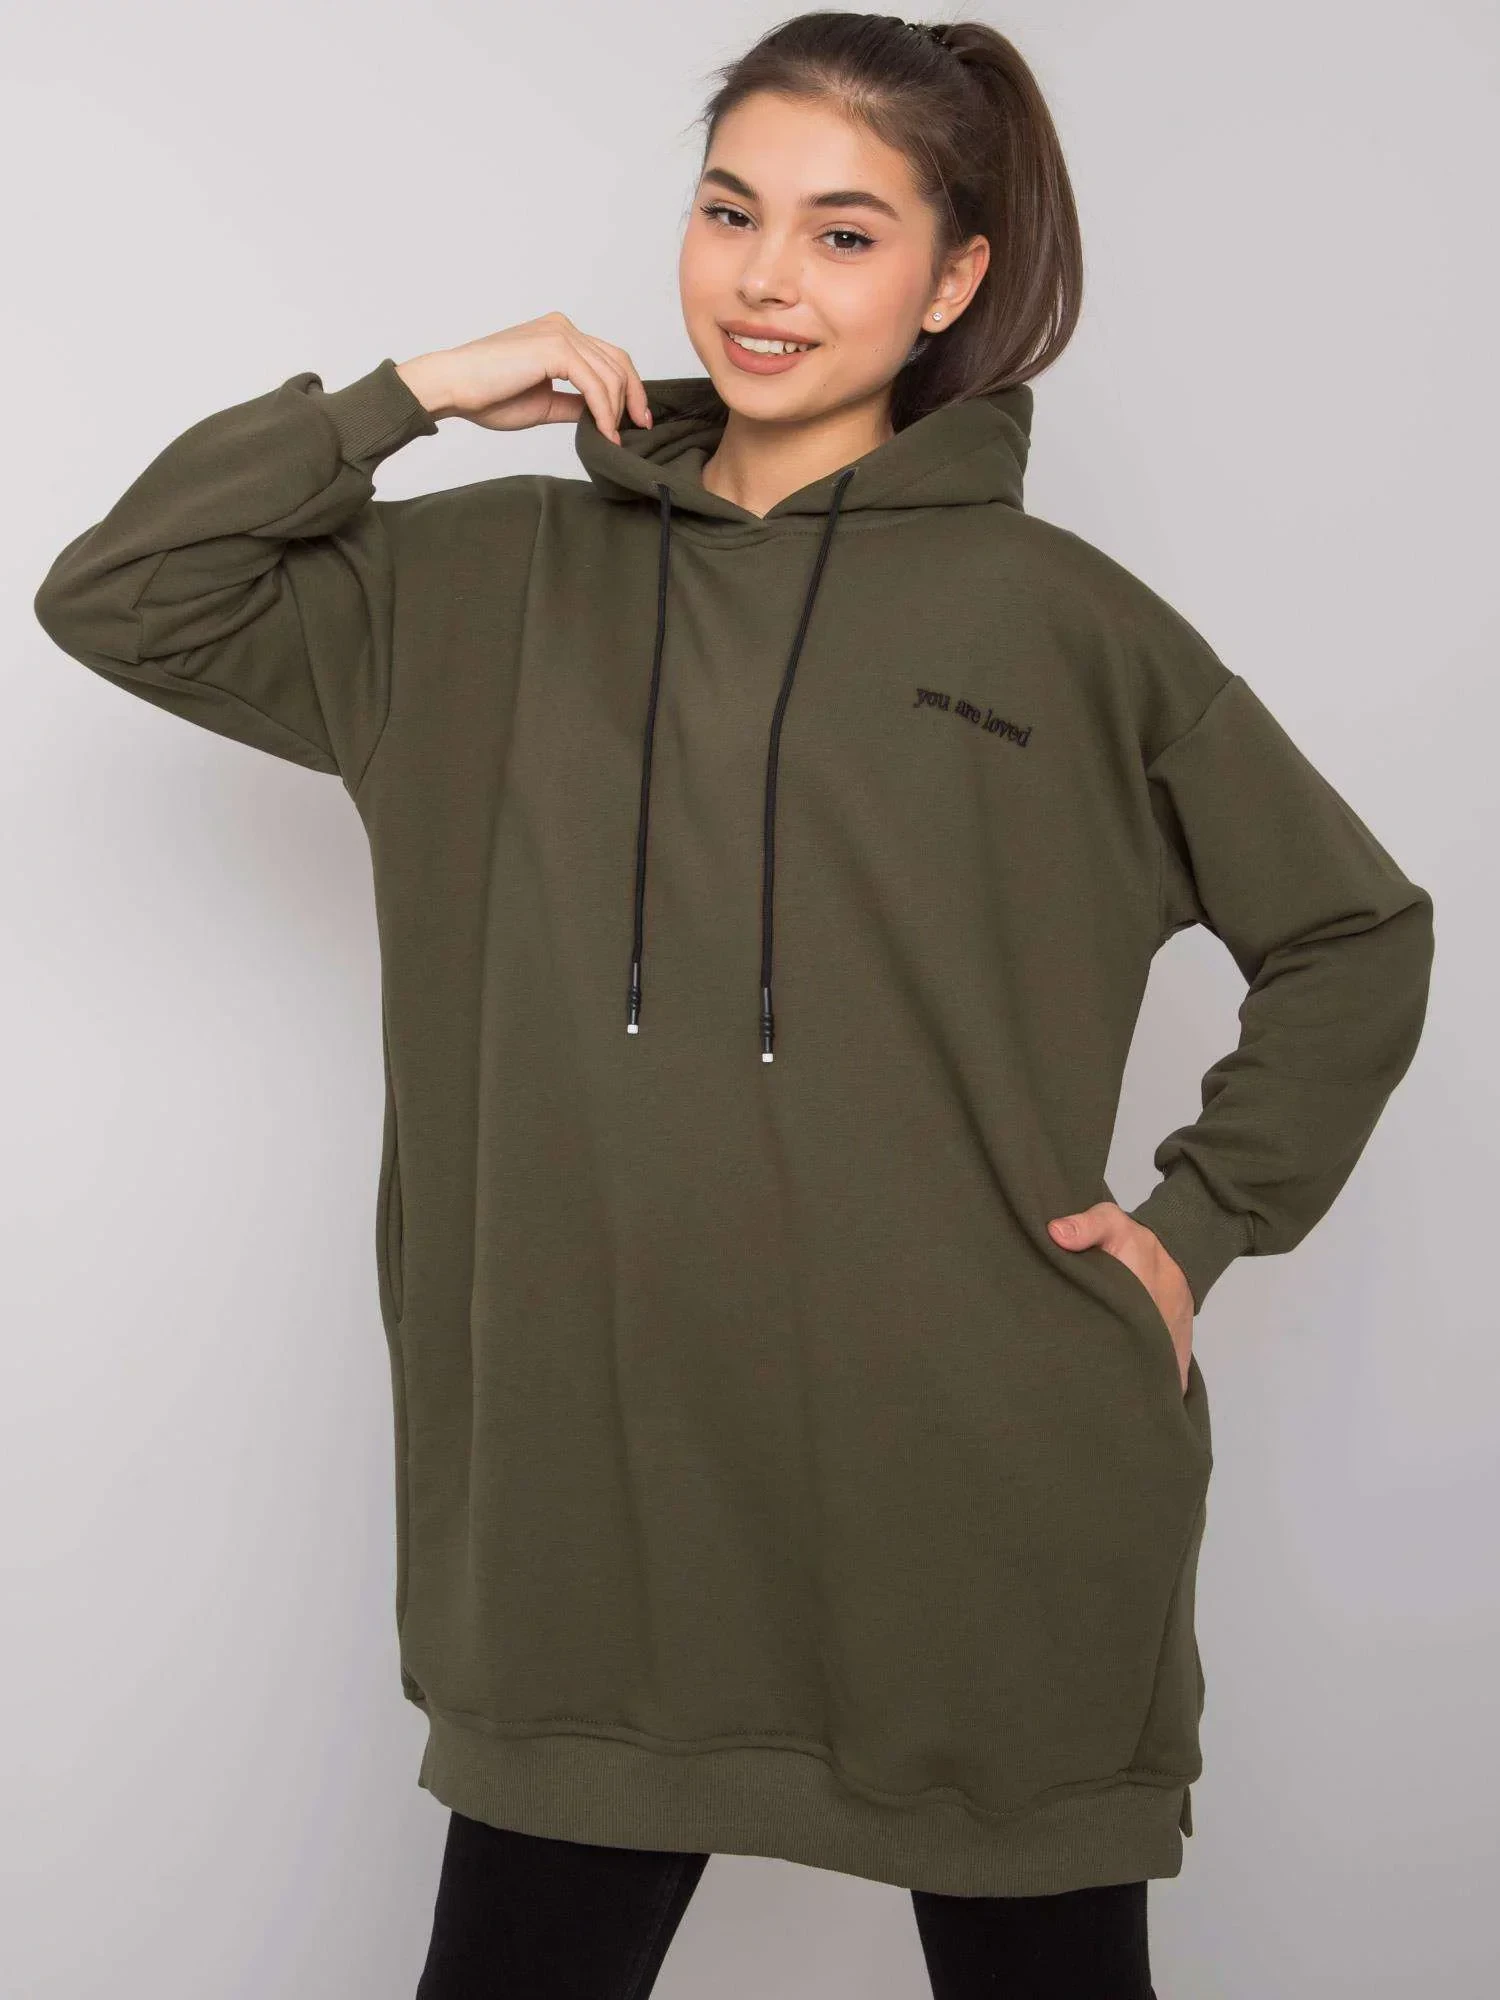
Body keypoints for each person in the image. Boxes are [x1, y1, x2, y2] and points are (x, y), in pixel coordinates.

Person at [33, 12, 1435, 1997]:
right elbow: (124, 595)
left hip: (981, 1508)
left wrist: (1199, 1227)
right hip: (581, 1528)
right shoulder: (479, 587)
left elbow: (1356, 929)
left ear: (952, 281)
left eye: (846, 234)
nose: (768, 279)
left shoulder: (1068, 627)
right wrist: (408, 394)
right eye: (730, 211)